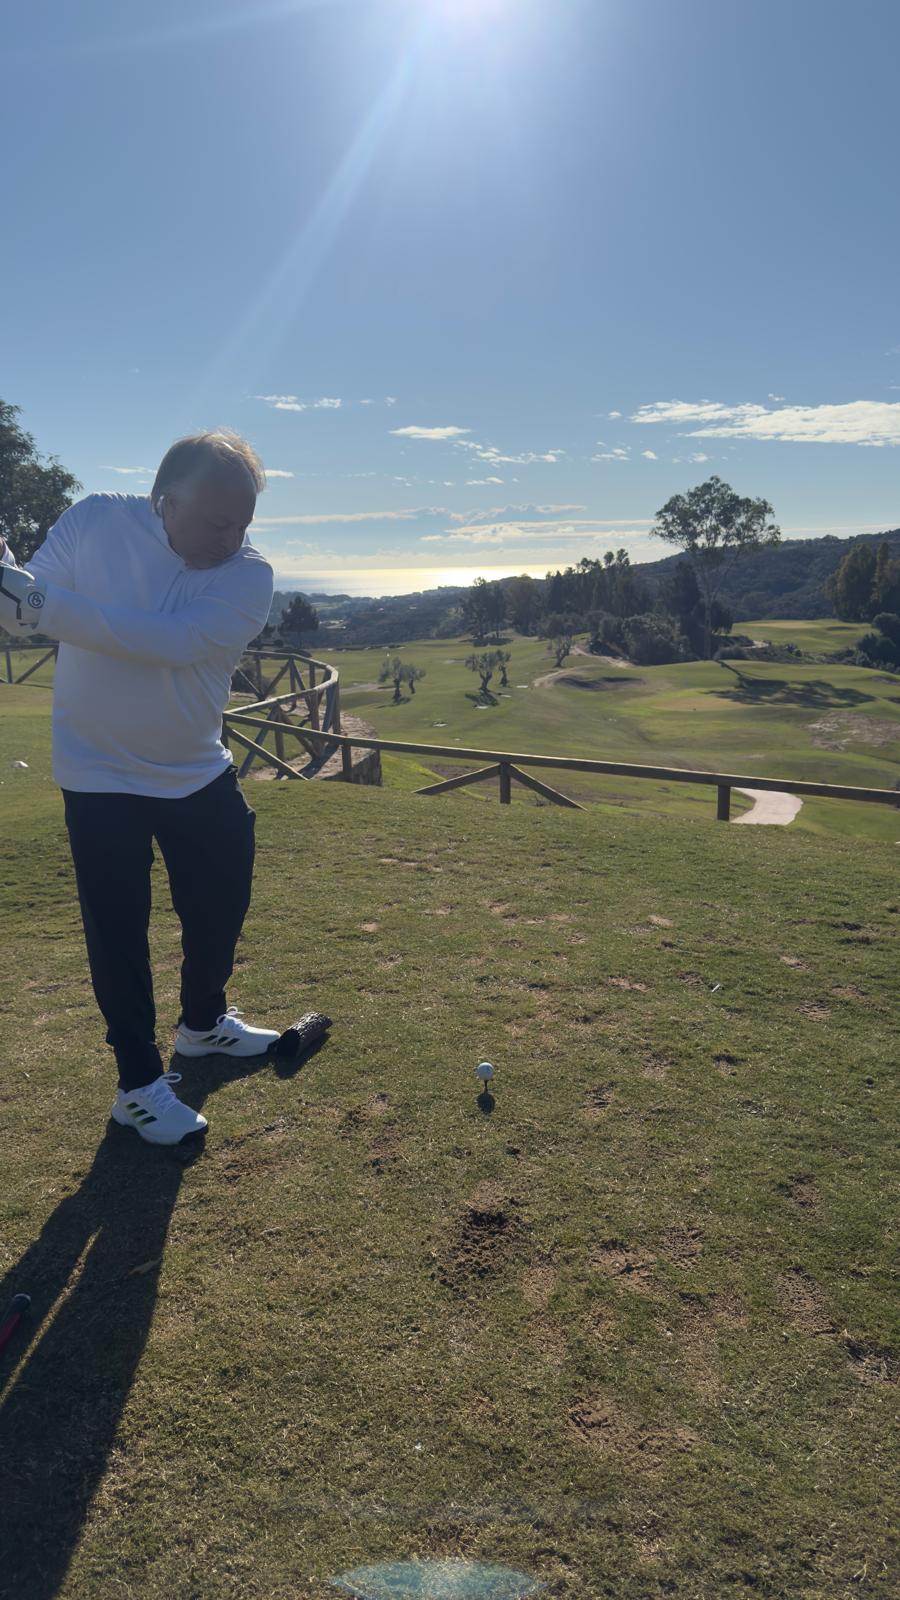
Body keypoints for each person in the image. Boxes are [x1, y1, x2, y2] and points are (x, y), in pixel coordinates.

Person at [0, 430, 281, 1146]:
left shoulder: (249, 575)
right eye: (218, 522)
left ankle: (203, 1024)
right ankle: (138, 1085)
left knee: (222, 901)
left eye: (244, 523)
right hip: (96, 773)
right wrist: (14, 590)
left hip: (195, 769)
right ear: (165, 500)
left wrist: (35, 602)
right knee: (117, 930)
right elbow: (19, 605)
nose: (233, 539)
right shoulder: (95, 520)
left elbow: (168, 643)